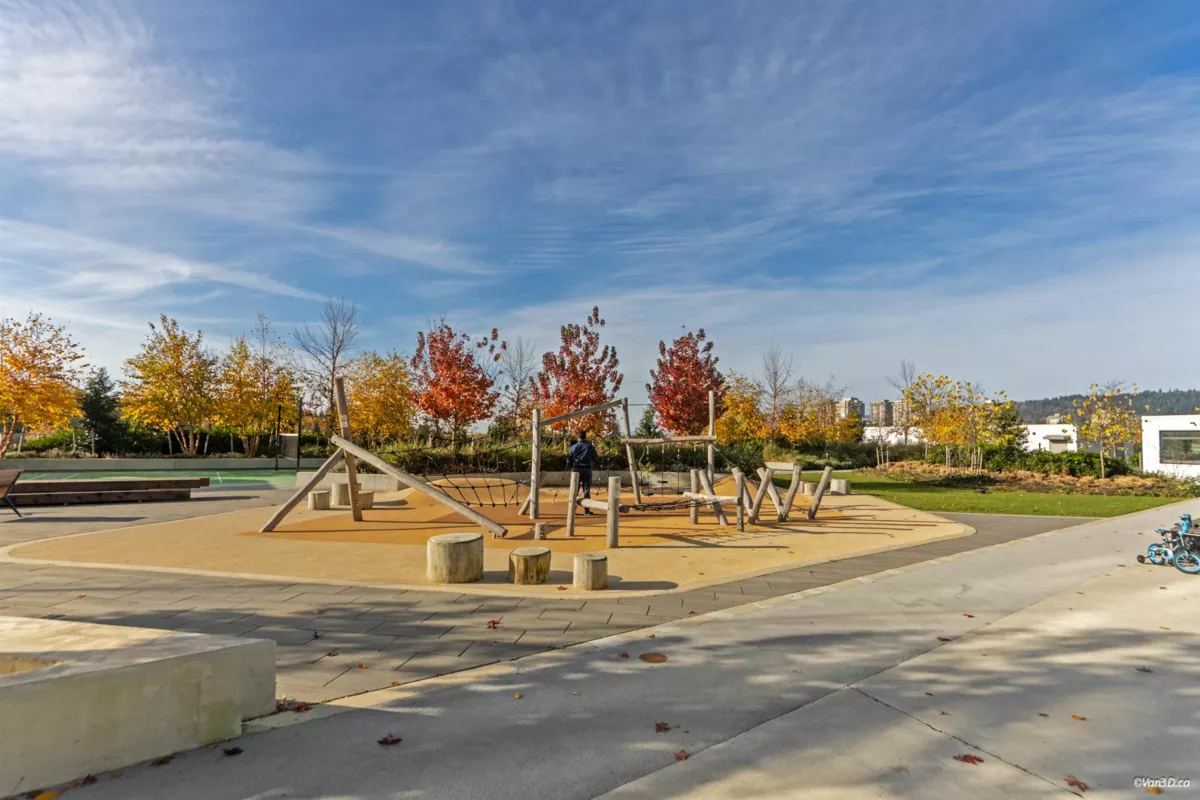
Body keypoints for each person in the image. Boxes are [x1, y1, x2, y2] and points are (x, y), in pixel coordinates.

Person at [567, 429, 599, 515]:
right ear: (585, 437)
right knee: (586, 490)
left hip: (576, 470)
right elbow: (595, 458)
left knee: (574, 490)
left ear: (577, 437)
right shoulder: (590, 447)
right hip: (587, 470)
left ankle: (572, 510)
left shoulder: (572, 447)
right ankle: (587, 511)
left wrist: (572, 467)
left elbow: (569, 460)